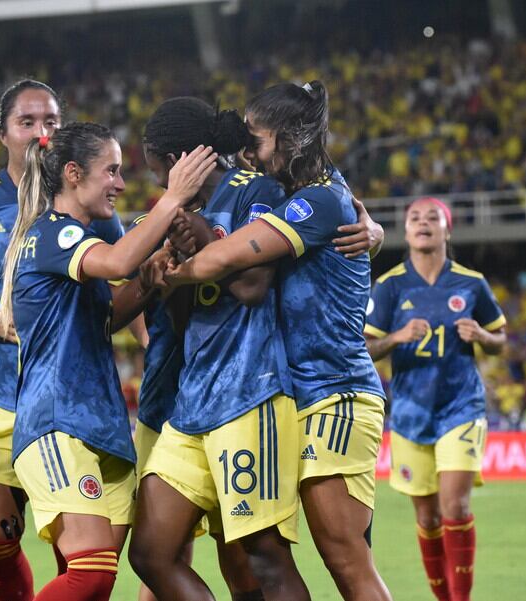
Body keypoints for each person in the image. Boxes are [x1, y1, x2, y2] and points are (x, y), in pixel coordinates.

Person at [162, 81, 391, 600]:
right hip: (300, 394)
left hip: (335, 391)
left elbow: (228, 257)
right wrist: (376, 233)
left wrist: (171, 274)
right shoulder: (303, 194)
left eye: (257, 140)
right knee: (297, 554)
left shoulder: (318, 201)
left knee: (345, 557)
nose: (249, 153)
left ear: (291, 138)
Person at [0, 79, 124, 601]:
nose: (40, 131)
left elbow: (122, 285)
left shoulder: (88, 202)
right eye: (26, 121)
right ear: (3, 134)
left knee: (80, 556)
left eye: (51, 121)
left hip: (67, 393)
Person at [0, 122, 215, 600]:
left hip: (101, 425)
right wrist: (173, 197)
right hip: (57, 422)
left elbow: (106, 316)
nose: (120, 183)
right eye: (110, 171)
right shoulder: (53, 232)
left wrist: (148, 282)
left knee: (96, 587)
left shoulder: (75, 237)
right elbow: (117, 263)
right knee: (91, 572)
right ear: (73, 174)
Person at [128, 97, 309, 601]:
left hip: (251, 392)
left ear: (174, 160)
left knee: (263, 558)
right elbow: (183, 320)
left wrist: (205, 240)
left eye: (156, 167)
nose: (157, 181)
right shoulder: (174, 216)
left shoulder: (256, 190)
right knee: (150, 552)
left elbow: (253, 286)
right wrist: (166, 275)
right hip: (192, 403)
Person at [363, 196, 506, 601]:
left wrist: (483, 336)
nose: (422, 222)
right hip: (411, 413)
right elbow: (366, 348)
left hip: (461, 407)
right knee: (427, 517)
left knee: (454, 507)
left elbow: (500, 341)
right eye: (414, 218)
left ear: (447, 230)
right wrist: (397, 337)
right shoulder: (390, 286)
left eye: (432, 217)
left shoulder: (471, 282)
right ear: (406, 231)